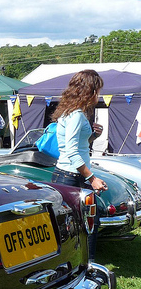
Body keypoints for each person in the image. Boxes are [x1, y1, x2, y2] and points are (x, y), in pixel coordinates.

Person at [51, 69, 106, 261]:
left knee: (74, 228)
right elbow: (72, 152)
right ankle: (87, 269)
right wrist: (92, 178)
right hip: (71, 177)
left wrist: (92, 136)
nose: (98, 96)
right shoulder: (75, 115)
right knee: (88, 224)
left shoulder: (71, 112)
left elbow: (75, 147)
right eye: (97, 91)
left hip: (66, 175)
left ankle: (79, 267)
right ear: (88, 91)